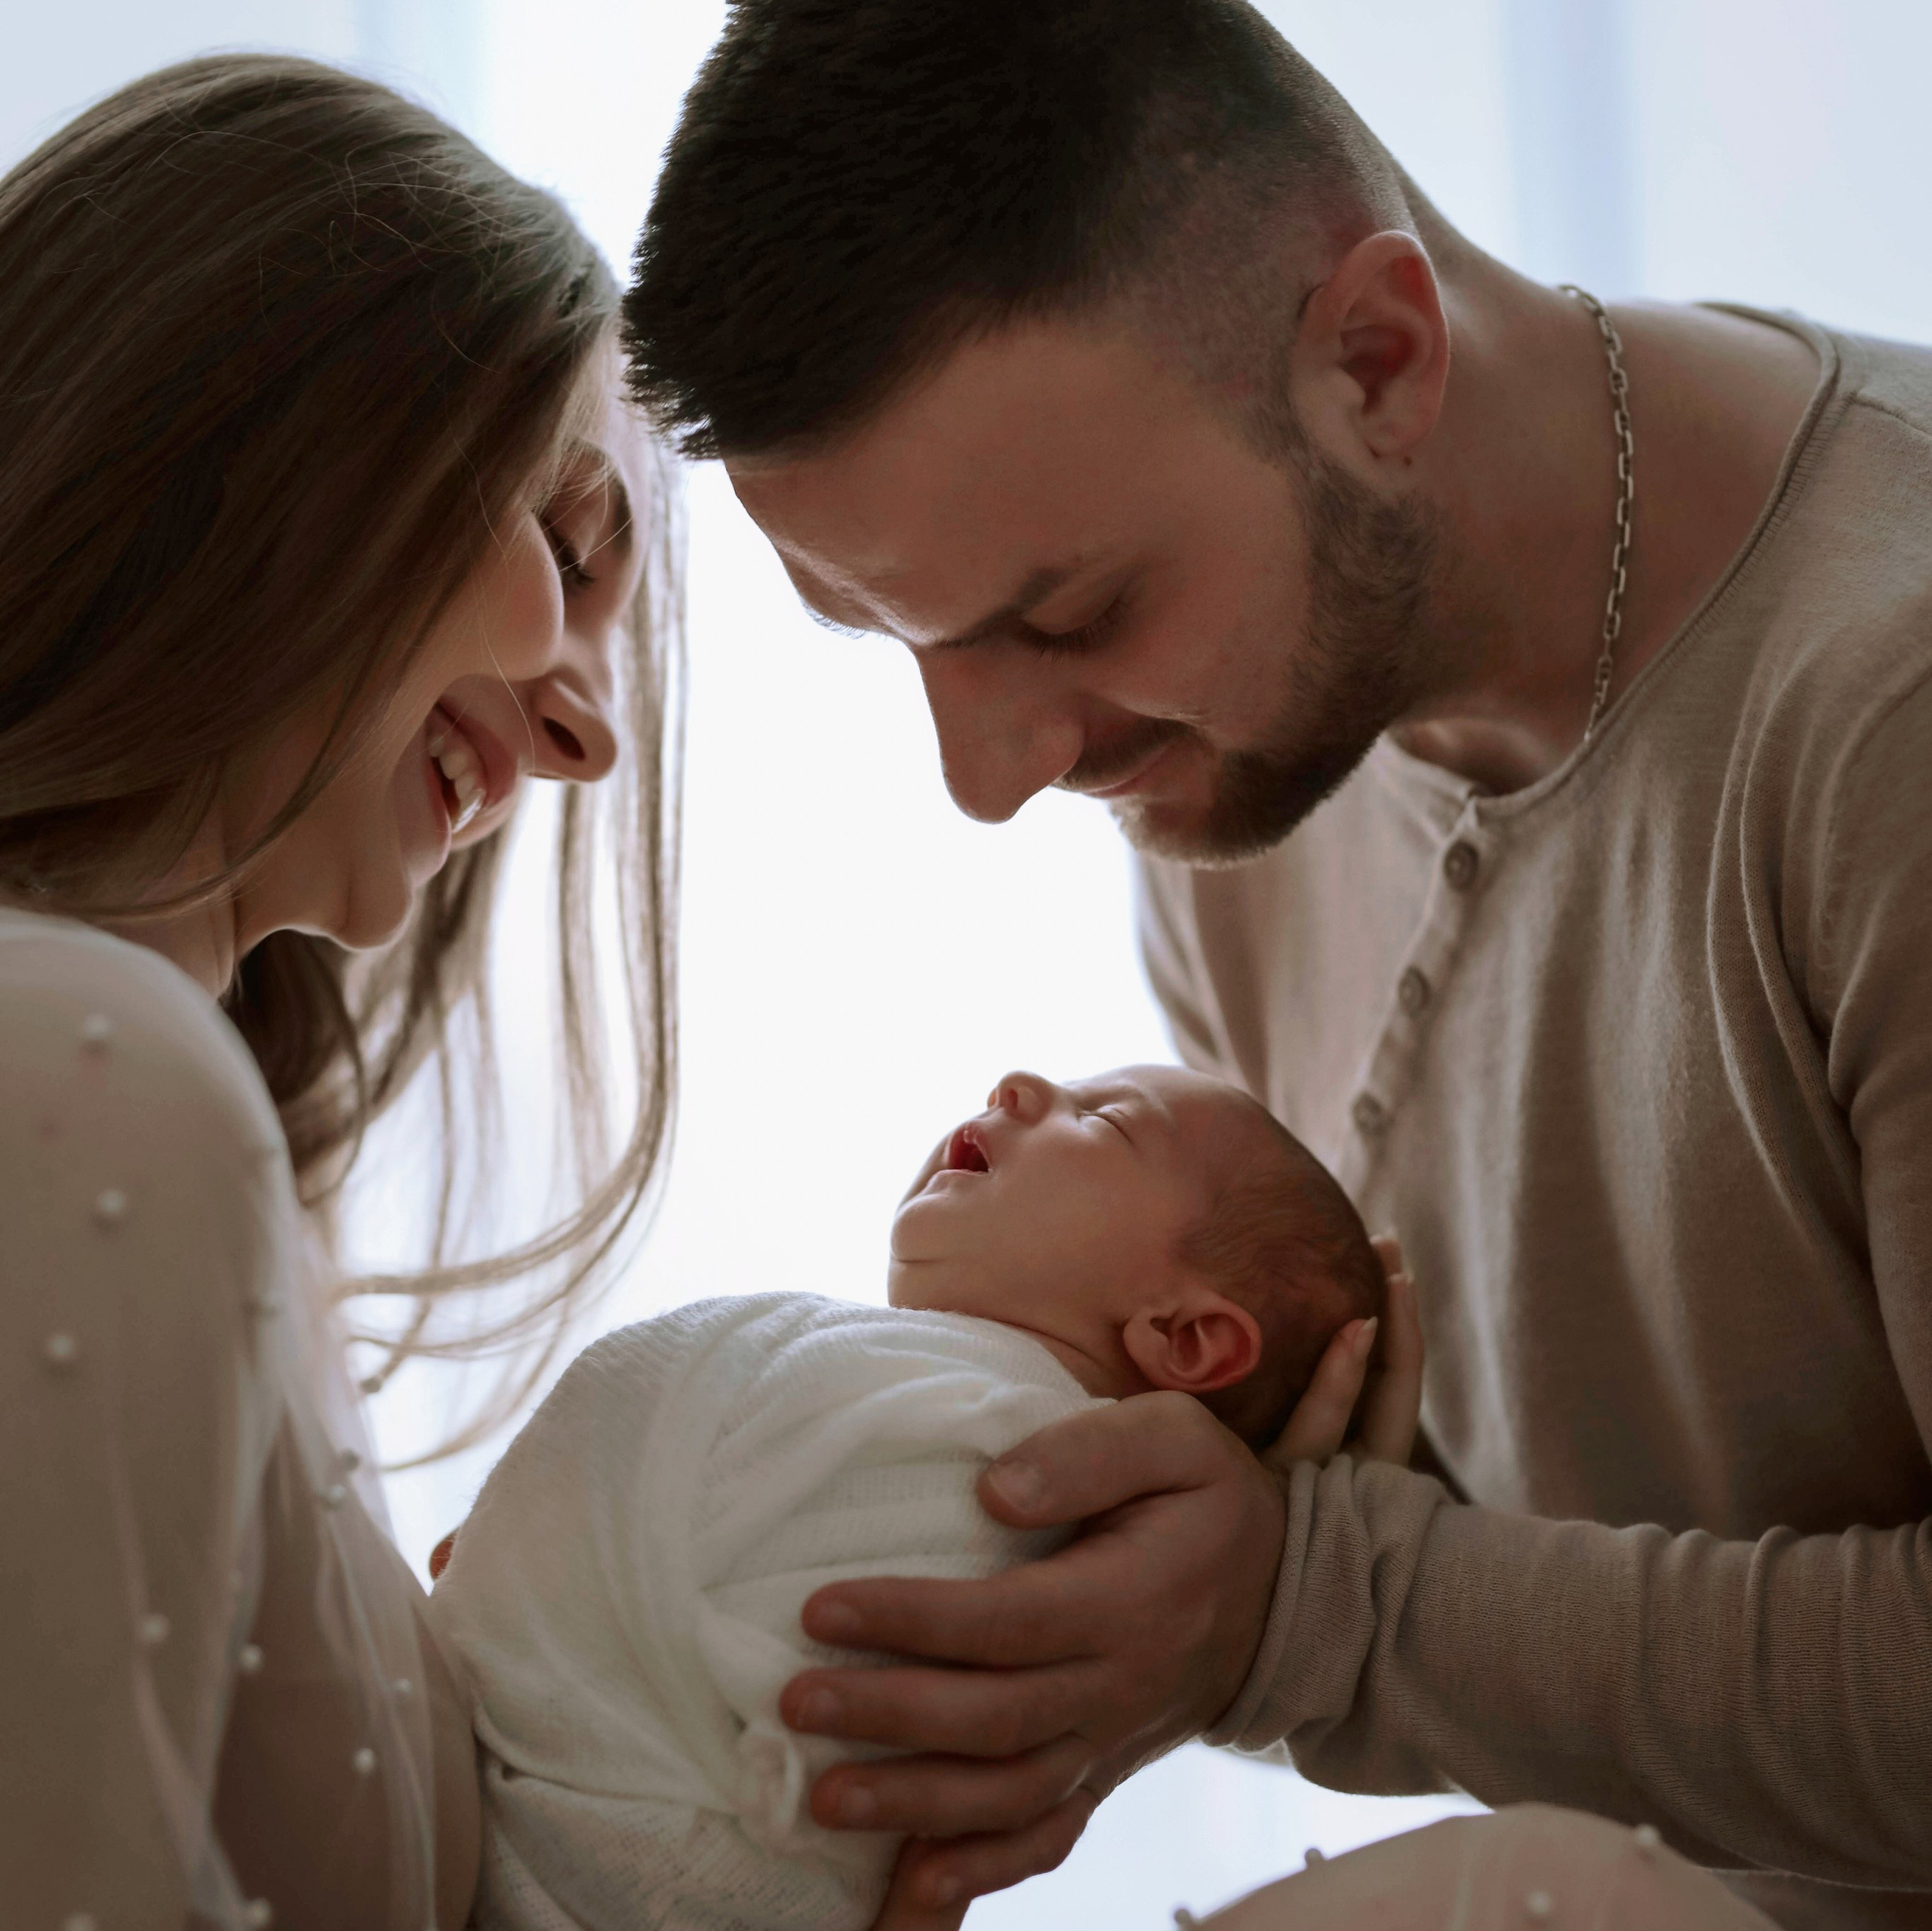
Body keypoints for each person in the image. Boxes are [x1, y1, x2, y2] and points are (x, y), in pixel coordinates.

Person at [623, 0, 1932, 1923]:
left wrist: (1309, 1610)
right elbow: (1409, 1555)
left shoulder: (1884, 719)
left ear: (1375, 361)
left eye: (1066, 612)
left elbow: (1351, 1598)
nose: (990, 775)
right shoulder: (1238, 764)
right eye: (892, 636)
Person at [0, 54, 677, 1929]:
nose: (591, 736)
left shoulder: (187, 1139)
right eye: (565, 548)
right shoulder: (90, 1081)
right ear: (267, 435)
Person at [427, 1063, 1405, 1930]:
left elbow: (838, 1700)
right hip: (466, 1758)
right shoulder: (895, 1381)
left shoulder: (1020, 1493)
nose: (1018, 1082)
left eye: (1107, 1121)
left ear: (1185, 1338)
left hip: (570, 1833)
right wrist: (556, 1536)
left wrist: (563, 1554)